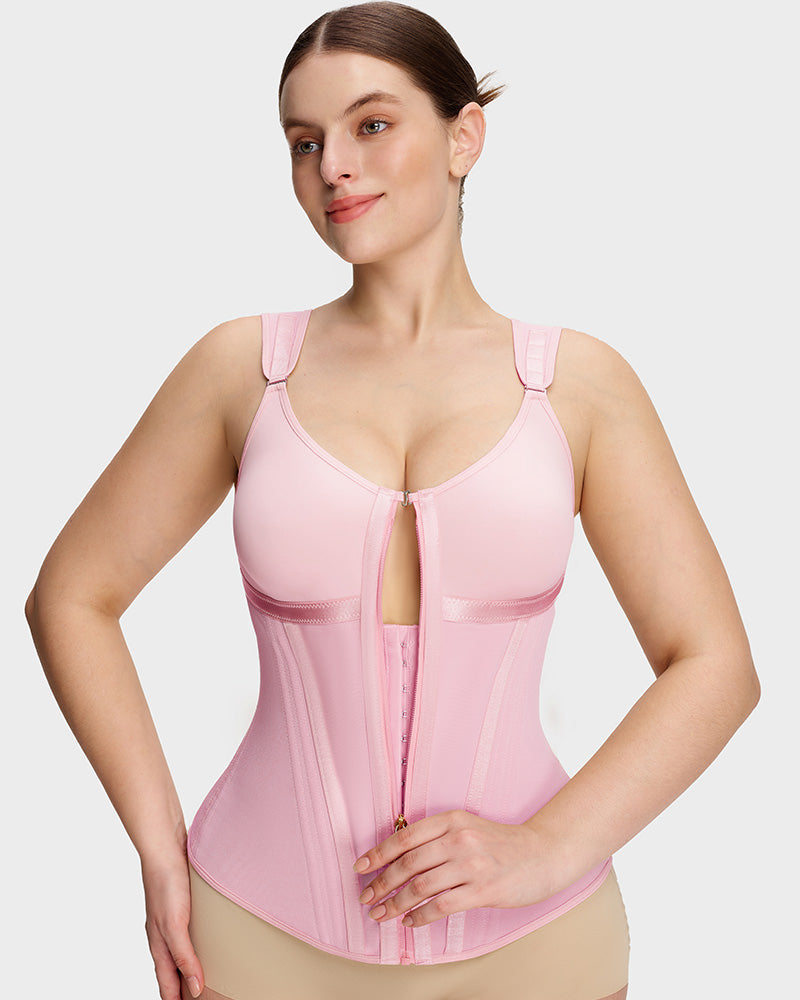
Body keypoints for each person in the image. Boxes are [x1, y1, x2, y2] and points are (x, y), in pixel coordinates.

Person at [24, 2, 761, 998]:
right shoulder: (243, 370)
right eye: (304, 141)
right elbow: (72, 596)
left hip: (537, 945)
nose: (332, 165)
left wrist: (548, 846)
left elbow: (713, 663)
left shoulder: (578, 386)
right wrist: (159, 853)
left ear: (465, 137)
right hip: (256, 930)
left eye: (371, 124)